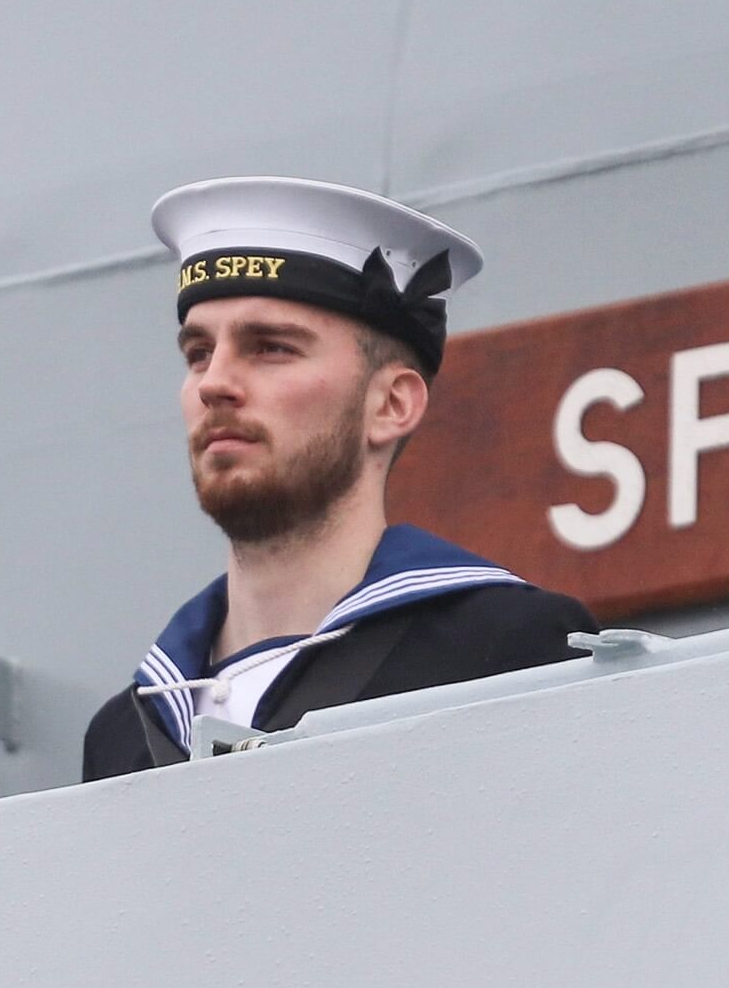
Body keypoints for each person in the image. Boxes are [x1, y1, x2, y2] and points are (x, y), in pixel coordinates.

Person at [82, 179, 594, 776]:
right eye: (198, 353)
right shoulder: (125, 733)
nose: (212, 383)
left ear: (391, 405)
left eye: (271, 348)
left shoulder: (509, 651)